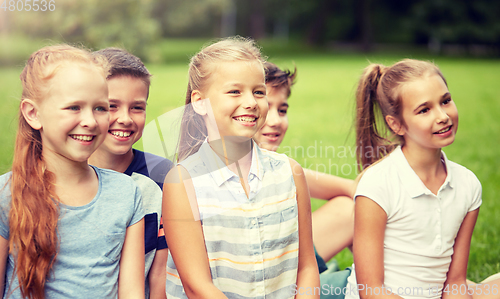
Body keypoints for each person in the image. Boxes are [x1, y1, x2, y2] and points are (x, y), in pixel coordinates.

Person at [162, 37, 320, 298]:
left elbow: (306, 268)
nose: (251, 102)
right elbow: (197, 286)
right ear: (199, 102)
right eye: (235, 91)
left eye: (258, 92)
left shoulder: (290, 173)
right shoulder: (183, 182)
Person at [346, 59, 500, 299]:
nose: (443, 116)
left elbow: (455, 283)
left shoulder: (468, 185)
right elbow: (372, 292)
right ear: (396, 124)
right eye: (424, 110)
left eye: (446, 101)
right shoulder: (376, 184)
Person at [0, 45, 145, 298]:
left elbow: (131, 292)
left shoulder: (127, 193)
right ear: (33, 114)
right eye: (74, 107)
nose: (90, 121)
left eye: (100, 108)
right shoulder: (6, 195)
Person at [89, 47, 173, 299]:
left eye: (137, 107)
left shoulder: (164, 177)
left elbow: (161, 275)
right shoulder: (63, 175)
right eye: (111, 106)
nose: (125, 118)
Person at [253, 62, 355, 270]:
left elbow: (352, 188)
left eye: (282, 110)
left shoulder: (279, 168)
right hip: (267, 273)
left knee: (353, 207)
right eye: (263, 108)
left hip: (285, 260)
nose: (275, 120)